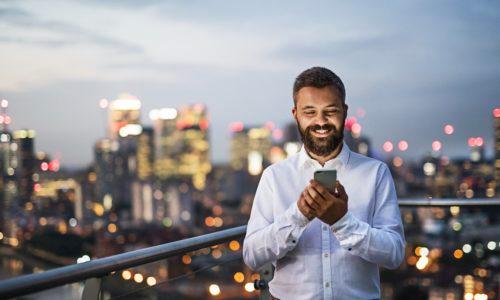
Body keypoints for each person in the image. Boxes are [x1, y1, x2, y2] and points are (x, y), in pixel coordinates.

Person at [243, 67, 406, 300]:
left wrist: (342, 222)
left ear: (344, 112)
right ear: (296, 114)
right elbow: (252, 256)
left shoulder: (375, 173)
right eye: (310, 112)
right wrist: (297, 216)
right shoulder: (274, 177)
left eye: (330, 111)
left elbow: (394, 253)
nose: (320, 121)